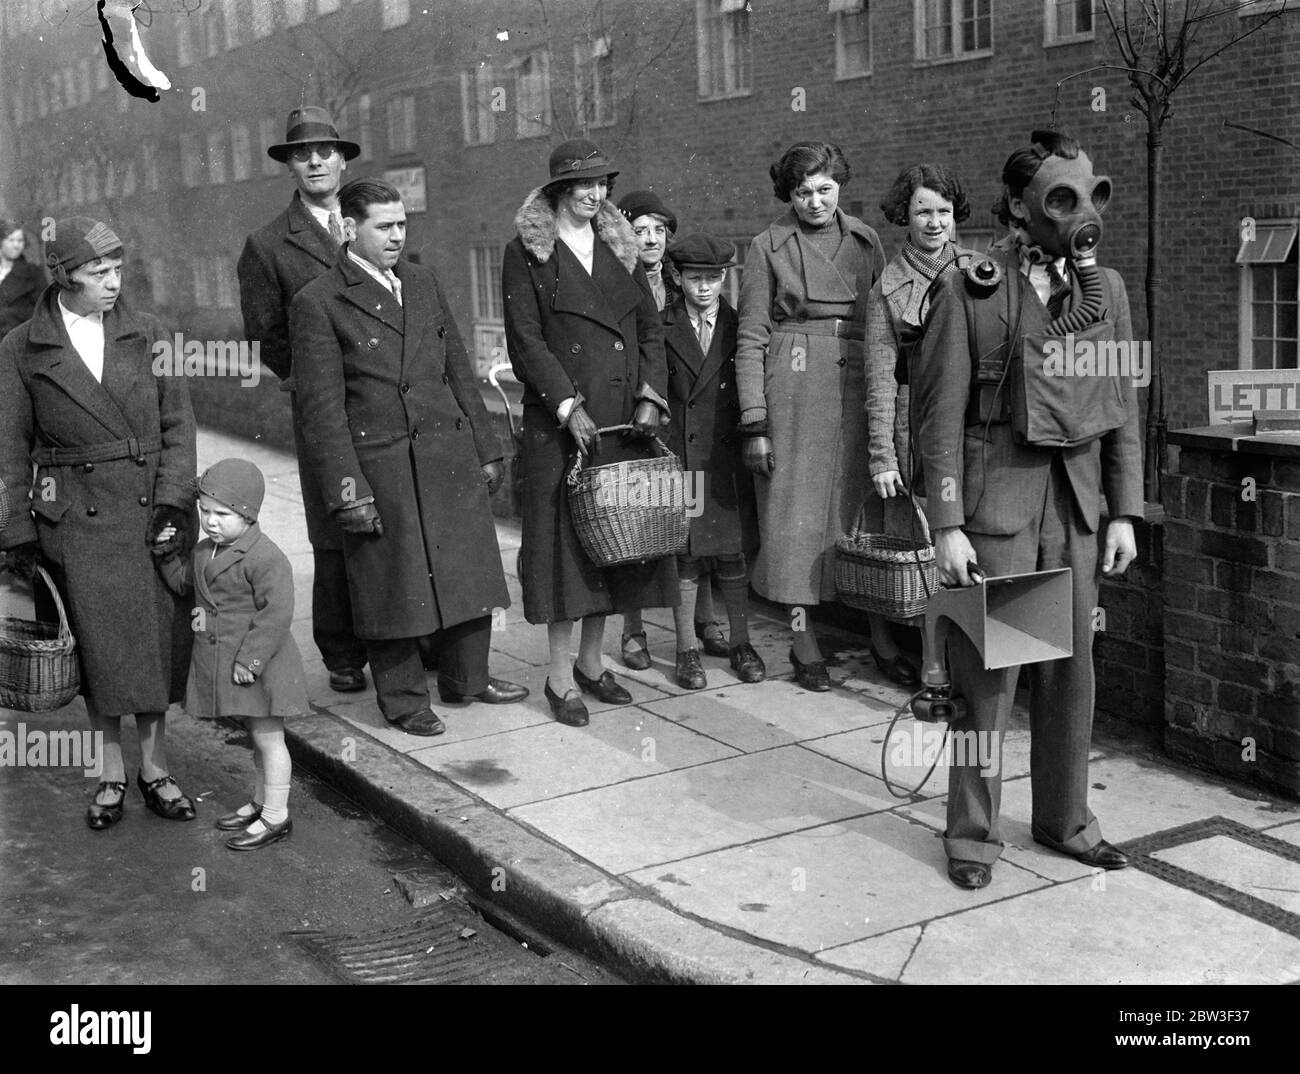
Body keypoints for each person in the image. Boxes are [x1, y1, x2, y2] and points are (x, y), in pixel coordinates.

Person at [911, 129, 1141, 890]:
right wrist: (946, 524)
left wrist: (1124, 511)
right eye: (1057, 198)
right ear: (1019, 206)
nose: (1076, 215)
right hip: (1002, 506)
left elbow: (1121, 407)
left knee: (1071, 676)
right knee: (988, 686)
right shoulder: (971, 286)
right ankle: (972, 837)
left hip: (1074, 507)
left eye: (1085, 196)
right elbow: (937, 413)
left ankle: (1066, 820)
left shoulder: (1104, 290)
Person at [291, 177, 527, 737]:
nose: (399, 236)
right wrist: (349, 491)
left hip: (446, 453)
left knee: (466, 570)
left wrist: (486, 449)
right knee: (392, 583)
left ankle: (468, 679)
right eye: (385, 226)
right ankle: (401, 698)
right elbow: (322, 414)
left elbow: (457, 369)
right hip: (382, 465)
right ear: (349, 230)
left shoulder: (422, 281)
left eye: (403, 224)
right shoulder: (318, 302)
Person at [0, 216, 197, 829]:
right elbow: (7, 447)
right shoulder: (20, 348)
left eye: (117, 270)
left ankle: (156, 769)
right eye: (97, 273)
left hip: (147, 512)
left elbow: (178, 429)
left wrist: (171, 501)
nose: (113, 283)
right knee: (100, 655)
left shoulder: (150, 333)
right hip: (75, 519)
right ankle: (110, 774)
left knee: (157, 650)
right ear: (64, 277)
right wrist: (17, 532)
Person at [502, 139, 677, 727]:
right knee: (563, 555)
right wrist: (566, 404)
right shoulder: (526, 253)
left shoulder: (620, 247)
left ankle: (592, 663)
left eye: (602, 183)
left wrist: (652, 395)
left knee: (615, 547)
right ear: (556, 190)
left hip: (622, 419)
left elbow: (651, 332)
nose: (593, 194)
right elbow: (525, 341)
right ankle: (556, 678)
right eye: (581, 184)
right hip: (562, 425)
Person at [734, 141, 886, 692]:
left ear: (839, 185)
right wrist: (756, 420)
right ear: (788, 194)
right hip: (794, 389)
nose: (815, 201)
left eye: (825, 188)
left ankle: (881, 633)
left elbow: (884, 325)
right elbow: (751, 335)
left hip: (854, 383)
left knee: (857, 513)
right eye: (803, 191)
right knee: (794, 521)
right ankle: (802, 643)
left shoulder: (867, 241)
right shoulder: (766, 246)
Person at [237, 106, 369, 695]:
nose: (315, 161)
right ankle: (342, 653)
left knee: (397, 517)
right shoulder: (268, 245)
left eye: (326, 151)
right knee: (335, 524)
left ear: (342, 160)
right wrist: (317, 383)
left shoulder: (372, 221)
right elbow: (268, 336)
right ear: (290, 166)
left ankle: (405, 637)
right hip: (324, 409)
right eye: (302, 154)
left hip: (389, 401)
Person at [861, 164, 978, 684]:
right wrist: (883, 456)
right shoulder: (888, 285)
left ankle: (974, 658)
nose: (934, 223)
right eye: (922, 211)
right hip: (918, 427)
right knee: (929, 547)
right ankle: (934, 663)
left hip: (974, 425)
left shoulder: (979, 271)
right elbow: (881, 377)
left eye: (944, 212)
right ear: (904, 218)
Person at [153, 459, 308, 850]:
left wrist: (249, 662)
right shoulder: (206, 550)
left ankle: (277, 816)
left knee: (270, 738)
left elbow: (276, 616)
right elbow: (186, 583)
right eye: (204, 511)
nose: (210, 521)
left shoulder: (265, 557)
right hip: (233, 662)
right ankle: (262, 801)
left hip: (262, 664)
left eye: (222, 514)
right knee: (257, 737)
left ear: (248, 515)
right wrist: (168, 555)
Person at [659, 233, 764, 690]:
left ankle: (741, 642)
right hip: (684, 457)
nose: (705, 289)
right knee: (686, 554)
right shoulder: (660, 326)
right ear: (677, 278)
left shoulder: (741, 327)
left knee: (731, 553)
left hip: (726, 457)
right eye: (695, 279)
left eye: (714, 279)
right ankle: (686, 649)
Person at [0, 221, 44, 337]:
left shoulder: (33, 273)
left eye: (20, 241)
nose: (16, 245)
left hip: (20, 341)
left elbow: (45, 309)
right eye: (11, 240)